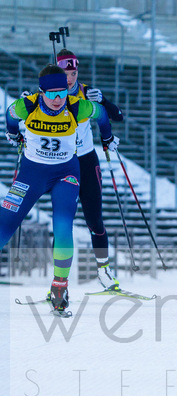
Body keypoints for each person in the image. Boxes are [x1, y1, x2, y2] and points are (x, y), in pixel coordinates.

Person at [1, 64, 116, 314]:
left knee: (63, 225)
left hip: (66, 174)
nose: (57, 99)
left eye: (62, 92)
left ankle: (59, 287)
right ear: (41, 92)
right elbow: (9, 115)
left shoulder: (76, 106)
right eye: (51, 94)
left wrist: (106, 137)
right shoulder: (27, 105)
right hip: (32, 173)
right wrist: (14, 134)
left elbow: (101, 113)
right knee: (6, 222)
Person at [57, 49, 125, 291]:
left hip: (86, 160)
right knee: (63, 223)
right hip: (62, 164)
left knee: (94, 219)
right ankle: (59, 281)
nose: (69, 79)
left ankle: (103, 271)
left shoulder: (86, 92)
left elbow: (117, 116)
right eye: (65, 74)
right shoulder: (48, 94)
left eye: (73, 74)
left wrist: (103, 100)